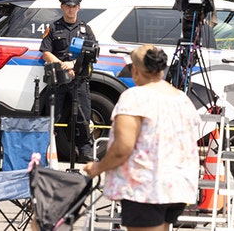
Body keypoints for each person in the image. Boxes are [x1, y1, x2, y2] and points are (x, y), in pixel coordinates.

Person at [84, 45, 201, 231]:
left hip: (145, 187)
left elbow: (122, 148)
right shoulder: (181, 99)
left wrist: (98, 167)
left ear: (136, 70)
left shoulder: (134, 97)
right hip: (177, 186)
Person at [40, 0, 97, 162]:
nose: (71, 9)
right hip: (58, 79)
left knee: (82, 116)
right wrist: (62, 65)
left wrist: (73, 65)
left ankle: (85, 150)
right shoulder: (53, 28)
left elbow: (92, 53)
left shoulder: (86, 30)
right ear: (62, 7)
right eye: (68, 6)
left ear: (78, 8)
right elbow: (45, 52)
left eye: (74, 6)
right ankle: (47, 150)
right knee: (53, 116)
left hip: (79, 79)